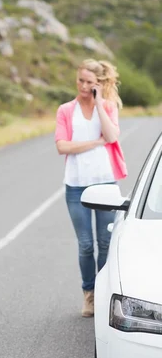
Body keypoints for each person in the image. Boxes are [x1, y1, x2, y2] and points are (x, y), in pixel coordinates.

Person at [55, 59, 127, 317]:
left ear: (98, 84)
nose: (83, 86)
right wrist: (93, 143)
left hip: (106, 184)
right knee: (86, 245)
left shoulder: (106, 106)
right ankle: (90, 295)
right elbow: (62, 146)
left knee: (106, 243)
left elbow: (111, 136)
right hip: (76, 187)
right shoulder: (66, 110)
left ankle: (105, 293)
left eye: (89, 82)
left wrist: (98, 104)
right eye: (81, 80)